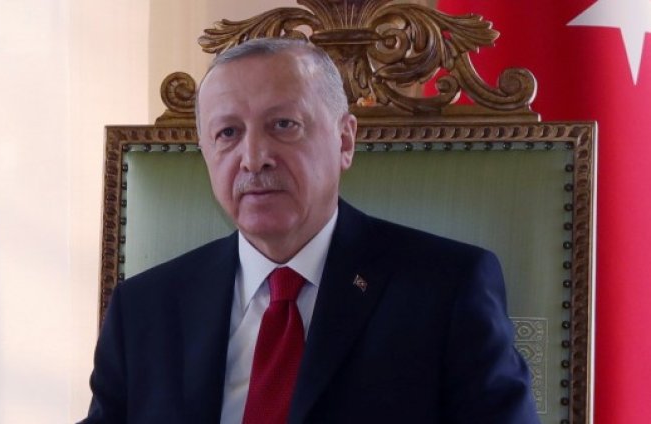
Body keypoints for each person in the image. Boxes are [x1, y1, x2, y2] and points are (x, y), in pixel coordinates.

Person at [80, 38, 539, 423]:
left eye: (284, 125)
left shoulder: (446, 289)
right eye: (228, 133)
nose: (253, 158)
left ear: (345, 140)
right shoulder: (144, 310)